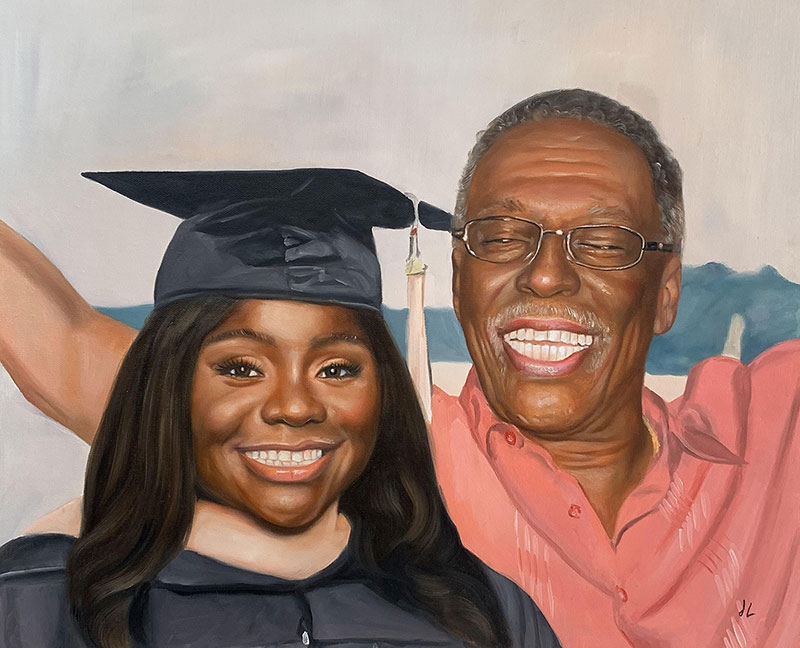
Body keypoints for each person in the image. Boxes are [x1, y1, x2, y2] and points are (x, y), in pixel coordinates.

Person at [1, 89, 798, 646]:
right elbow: (69, 346)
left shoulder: (774, 430)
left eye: (603, 242)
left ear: (666, 293)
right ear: (457, 276)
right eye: (501, 237)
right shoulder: (388, 466)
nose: (548, 277)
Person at [0, 169, 561, 648]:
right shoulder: (45, 602)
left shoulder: (484, 612)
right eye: (241, 368)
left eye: (337, 369)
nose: (294, 407)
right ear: (167, 387)